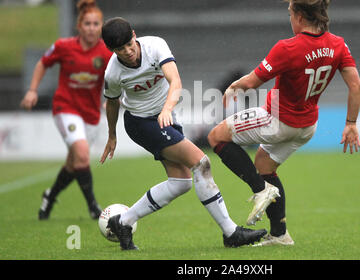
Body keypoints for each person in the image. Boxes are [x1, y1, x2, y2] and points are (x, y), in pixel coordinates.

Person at [207, 0, 360, 246]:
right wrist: (350, 123)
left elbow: (253, 81)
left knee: (216, 137)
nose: (290, 19)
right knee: (264, 165)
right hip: (306, 127)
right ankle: (280, 234)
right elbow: (356, 85)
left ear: (300, 16)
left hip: (277, 120)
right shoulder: (338, 44)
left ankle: (259, 191)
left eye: (290, 13)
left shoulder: (288, 47)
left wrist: (233, 87)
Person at [99, 17, 267, 250]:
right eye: (120, 49)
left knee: (180, 183)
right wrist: (112, 135)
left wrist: (167, 109)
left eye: (129, 44)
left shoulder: (155, 46)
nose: (128, 51)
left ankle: (124, 222)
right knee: (202, 163)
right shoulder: (113, 73)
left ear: (134, 35)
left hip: (164, 117)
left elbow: (175, 81)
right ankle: (231, 233)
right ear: (111, 50)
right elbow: (112, 103)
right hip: (141, 123)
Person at [20, 0, 112, 220]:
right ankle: (93, 207)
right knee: (81, 154)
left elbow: (116, 77)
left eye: (96, 24)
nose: (91, 28)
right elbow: (43, 62)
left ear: (101, 27)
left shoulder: (106, 53)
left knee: (74, 163)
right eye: (87, 24)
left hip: (90, 114)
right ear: (79, 26)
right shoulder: (63, 46)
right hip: (65, 107)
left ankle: (50, 196)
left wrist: (111, 98)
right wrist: (32, 90)